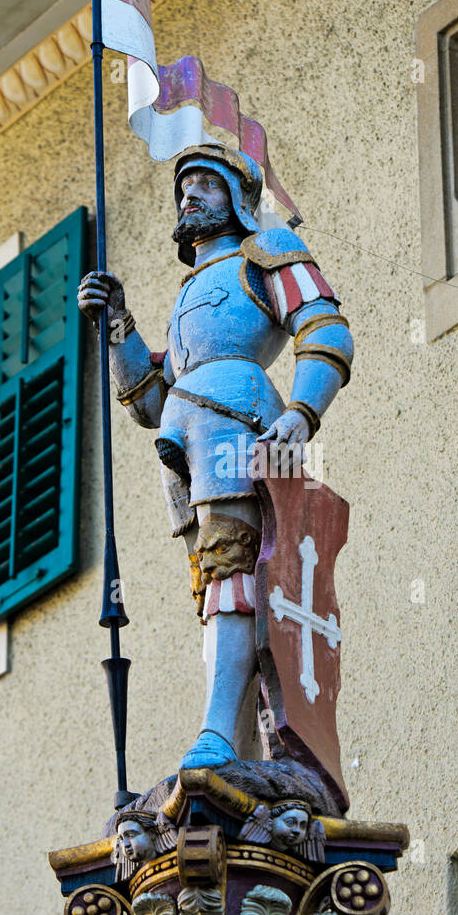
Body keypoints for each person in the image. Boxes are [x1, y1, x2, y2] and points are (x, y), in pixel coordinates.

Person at [78, 143, 352, 771]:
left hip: (240, 426)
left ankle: (218, 735)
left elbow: (326, 329)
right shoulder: (189, 297)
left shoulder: (269, 252)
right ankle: (242, 740)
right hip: (187, 440)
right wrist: (117, 325)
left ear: (240, 198)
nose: (189, 194)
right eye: (184, 186)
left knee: (234, 572)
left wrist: (301, 412)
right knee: (215, 586)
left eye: (205, 182)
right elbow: (151, 400)